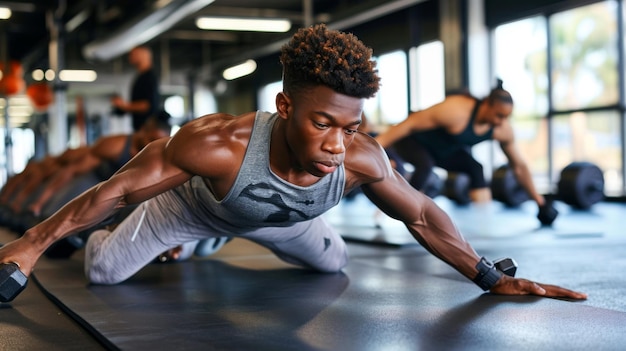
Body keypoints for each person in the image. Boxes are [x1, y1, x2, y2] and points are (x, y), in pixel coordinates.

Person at [0, 24, 585, 301]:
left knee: (334, 267)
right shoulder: (217, 145)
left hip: (292, 220)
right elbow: (122, 189)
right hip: (193, 211)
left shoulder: (361, 158)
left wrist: (489, 276)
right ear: (284, 106)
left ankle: (220, 241)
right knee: (101, 272)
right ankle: (174, 240)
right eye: (321, 123)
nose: (336, 143)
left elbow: (424, 215)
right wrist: (29, 245)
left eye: (349, 126)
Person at [375, 83, 545, 207]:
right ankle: (402, 208)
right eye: (499, 115)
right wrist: (373, 147)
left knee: (476, 168)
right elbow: (409, 124)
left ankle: (484, 223)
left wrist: (539, 201)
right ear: (487, 104)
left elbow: (519, 167)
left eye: (506, 117)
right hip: (412, 142)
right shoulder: (456, 109)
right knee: (425, 165)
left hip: (445, 151)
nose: (502, 122)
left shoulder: (502, 129)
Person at [111, 46, 160, 131]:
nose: (130, 57)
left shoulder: (149, 77)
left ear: (144, 55)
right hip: (140, 130)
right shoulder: (140, 77)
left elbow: (147, 105)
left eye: (134, 54)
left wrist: (124, 105)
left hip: (146, 131)